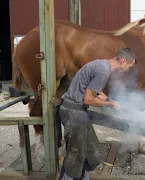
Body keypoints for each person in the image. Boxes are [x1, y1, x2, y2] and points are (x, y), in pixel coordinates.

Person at [58, 48, 137, 180]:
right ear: (123, 61)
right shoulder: (103, 71)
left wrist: (110, 100)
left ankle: (83, 177)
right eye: (129, 67)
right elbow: (88, 99)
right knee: (76, 153)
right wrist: (112, 105)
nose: (128, 70)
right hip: (74, 112)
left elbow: (95, 91)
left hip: (77, 111)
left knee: (89, 150)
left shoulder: (101, 64)